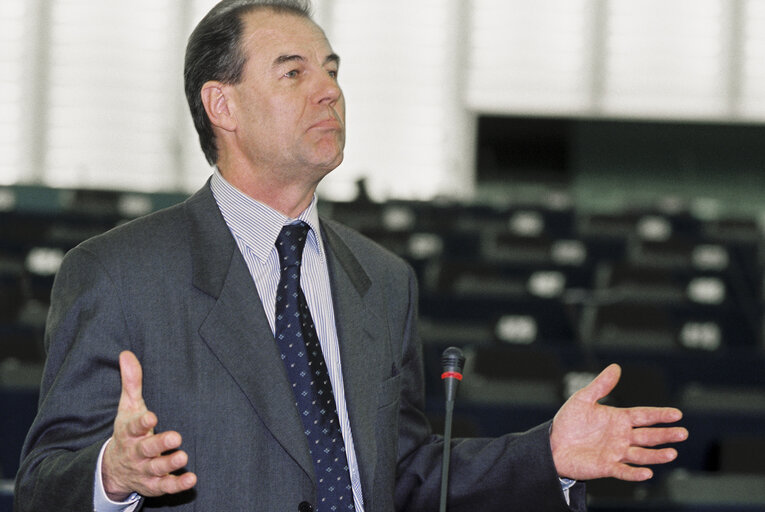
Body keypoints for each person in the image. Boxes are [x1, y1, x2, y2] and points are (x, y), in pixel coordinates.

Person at [14, 1, 688, 511]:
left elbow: (401, 473)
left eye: (331, 71)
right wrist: (111, 472)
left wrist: (544, 455)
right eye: (293, 72)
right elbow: (44, 481)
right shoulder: (118, 272)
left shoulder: (382, 281)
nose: (328, 90)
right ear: (222, 104)